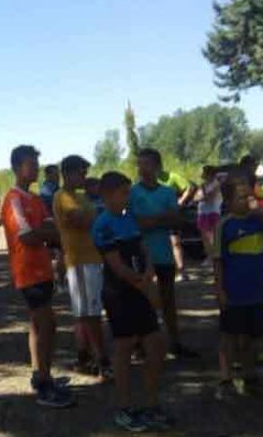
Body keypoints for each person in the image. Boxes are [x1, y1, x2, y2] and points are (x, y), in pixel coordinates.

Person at [92, 171, 169, 432]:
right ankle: (123, 407)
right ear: (107, 195)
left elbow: (143, 248)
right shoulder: (102, 224)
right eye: (124, 193)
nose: (128, 198)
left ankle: (151, 404)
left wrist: (149, 270)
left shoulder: (129, 218)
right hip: (119, 293)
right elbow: (117, 266)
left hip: (140, 287)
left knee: (156, 345)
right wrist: (143, 284)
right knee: (124, 348)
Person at [1, 145, 74, 408]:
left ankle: (38, 374)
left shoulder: (34, 199)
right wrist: (54, 236)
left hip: (42, 268)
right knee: (48, 324)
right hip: (27, 270)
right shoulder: (13, 199)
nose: (36, 169)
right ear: (19, 167)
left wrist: (52, 236)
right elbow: (28, 236)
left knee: (37, 324)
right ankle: (45, 384)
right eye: (32, 164)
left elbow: (48, 227)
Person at [213, 176, 263, 400]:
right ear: (228, 200)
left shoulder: (259, 221)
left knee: (252, 338)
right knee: (230, 337)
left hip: (257, 288)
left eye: (250, 196)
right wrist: (219, 290)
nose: (247, 201)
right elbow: (218, 261)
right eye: (241, 197)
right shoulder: (224, 224)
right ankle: (225, 380)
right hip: (234, 290)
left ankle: (250, 377)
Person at [130, 148, 198, 358]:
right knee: (141, 300)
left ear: (158, 167)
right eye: (139, 164)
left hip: (164, 253)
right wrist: (162, 218)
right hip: (141, 254)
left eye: (146, 164)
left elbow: (176, 221)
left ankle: (175, 342)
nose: (141, 169)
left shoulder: (167, 192)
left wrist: (153, 220)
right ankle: (140, 344)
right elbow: (137, 223)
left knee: (168, 299)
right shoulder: (132, 192)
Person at [53, 155, 111, 381]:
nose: (84, 178)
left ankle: (84, 356)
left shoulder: (80, 197)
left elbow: (90, 219)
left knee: (83, 313)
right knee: (91, 314)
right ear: (67, 174)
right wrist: (99, 214)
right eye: (80, 173)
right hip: (80, 260)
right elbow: (82, 221)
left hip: (90, 259)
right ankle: (102, 361)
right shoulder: (63, 196)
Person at [159, 166, 196, 281]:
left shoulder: (172, 176)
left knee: (175, 242)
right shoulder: (146, 180)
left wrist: (181, 201)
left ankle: (181, 271)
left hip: (171, 215)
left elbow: (189, 187)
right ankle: (160, 273)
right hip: (155, 215)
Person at [196, 165, 224, 266]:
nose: (201, 174)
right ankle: (209, 256)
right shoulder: (203, 185)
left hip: (213, 211)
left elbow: (210, 198)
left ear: (208, 173)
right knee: (204, 236)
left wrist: (203, 196)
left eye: (203, 172)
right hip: (202, 212)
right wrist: (203, 196)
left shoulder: (216, 184)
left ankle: (214, 257)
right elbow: (196, 197)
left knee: (212, 236)